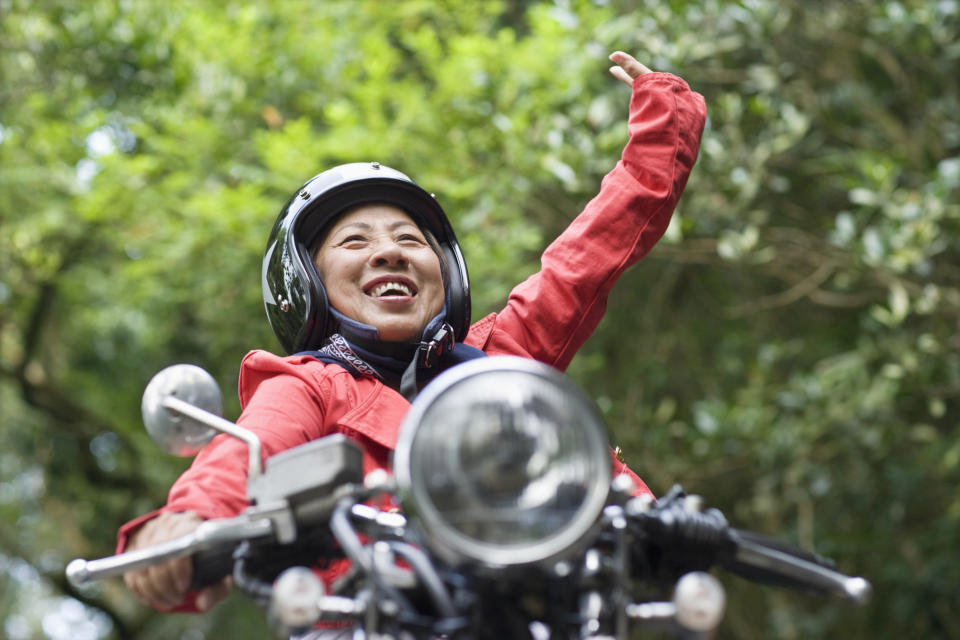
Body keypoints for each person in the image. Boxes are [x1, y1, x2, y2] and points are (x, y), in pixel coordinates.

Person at [118, 51, 706, 617]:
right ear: (308, 284)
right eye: (355, 242)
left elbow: (590, 255)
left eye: (409, 239)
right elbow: (247, 454)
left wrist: (663, 121)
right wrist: (191, 520)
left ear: (443, 272)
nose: (388, 254)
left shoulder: (499, 359)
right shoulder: (309, 386)